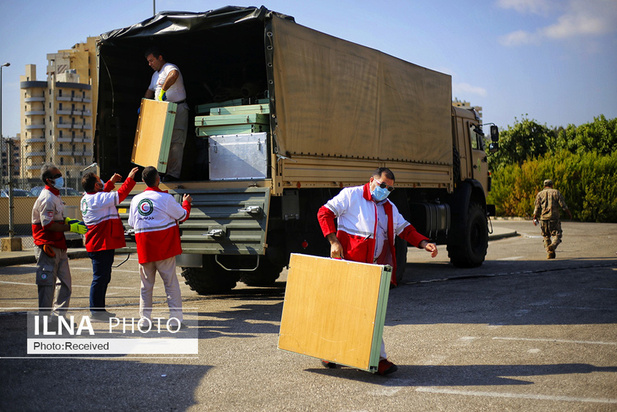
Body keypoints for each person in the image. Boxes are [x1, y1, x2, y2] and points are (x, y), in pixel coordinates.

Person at [317, 167, 438, 375]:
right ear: (371, 180)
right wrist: (333, 241)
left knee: (370, 314)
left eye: (389, 189)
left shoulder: (389, 207)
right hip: (348, 266)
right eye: (382, 185)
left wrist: (424, 242)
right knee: (345, 310)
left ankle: (373, 358)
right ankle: (344, 354)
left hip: (373, 271)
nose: (385, 191)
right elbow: (324, 213)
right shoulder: (351, 195)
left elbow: (405, 229)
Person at [128, 166, 192, 328]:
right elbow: (183, 216)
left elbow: (131, 223)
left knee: (146, 286)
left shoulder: (136, 200)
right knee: (170, 284)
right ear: (158, 180)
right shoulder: (165, 198)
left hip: (145, 249)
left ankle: (144, 320)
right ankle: (175, 320)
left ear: (143, 181)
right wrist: (186, 203)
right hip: (164, 248)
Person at [32, 163, 87, 325]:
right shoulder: (47, 198)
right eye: (57, 176)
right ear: (49, 180)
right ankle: (44, 321)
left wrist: (68, 221)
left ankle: (58, 318)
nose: (61, 178)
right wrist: (70, 226)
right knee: (47, 285)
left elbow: (56, 218)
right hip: (47, 247)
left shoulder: (55, 196)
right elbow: (47, 224)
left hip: (59, 246)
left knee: (65, 283)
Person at [80, 167, 139, 320]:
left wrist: (111, 182)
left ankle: (99, 309)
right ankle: (96, 311)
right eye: (100, 181)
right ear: (95, 186)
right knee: (100, 278)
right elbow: (120, 195)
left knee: (102, 277)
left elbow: (103, 193)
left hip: (99, 243)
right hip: (101, 244)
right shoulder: (97, 199)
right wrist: (130, 178)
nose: (102, 182)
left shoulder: (88, 197)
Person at [144, 46, 189, 181]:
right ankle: (160, 173)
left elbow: (174, 75)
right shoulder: (155, 75)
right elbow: (150, 90)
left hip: (177, 109)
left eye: (152, 60)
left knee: (176, 143)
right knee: (162, 143)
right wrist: (144, 105)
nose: (150, 64)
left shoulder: (169, 67)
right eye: (148, 61)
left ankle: (173, 175)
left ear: (160, 58)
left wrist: (163, 91)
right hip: (162, 112)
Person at [533, 179, 572, 259]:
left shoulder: (540, 194)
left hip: (543, 218)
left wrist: (535, 217)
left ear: (544, 185)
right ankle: (553, 246)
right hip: (554, 217)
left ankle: (550, 253)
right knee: (557, 234)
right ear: (551, 185)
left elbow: (537, 207)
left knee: (546, 236)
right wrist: (569, 214)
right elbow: (563, 205)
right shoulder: (556, 192)